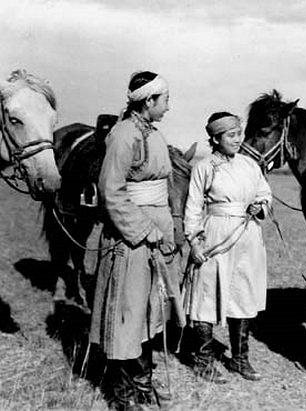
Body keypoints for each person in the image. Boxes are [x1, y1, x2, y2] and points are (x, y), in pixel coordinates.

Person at [89, 71, 185, 410]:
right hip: (131, 238)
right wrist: (143, 229)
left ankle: (143, 380)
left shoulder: (155, 134)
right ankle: (122, 391)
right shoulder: (123, 134)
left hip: (158, 232)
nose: (168, 107)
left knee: (151, 310)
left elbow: (164, 187)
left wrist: (169, 228)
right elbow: (111, 191)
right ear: (149, 101)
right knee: (127, 312)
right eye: (165, 100)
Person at [183, 112, 272, 384]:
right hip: (216, 235)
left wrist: (260, 206)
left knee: (243, 294)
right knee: (206, 295)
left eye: (238, 133)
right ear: (215, 138)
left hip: (248, 235)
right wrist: (194, 241)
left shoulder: (250, 165)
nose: (237, 139)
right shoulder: (204, 167)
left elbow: (264, 193)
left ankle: (239, 358)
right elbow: (193, 208)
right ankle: (203, 361)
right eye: (230, 135)